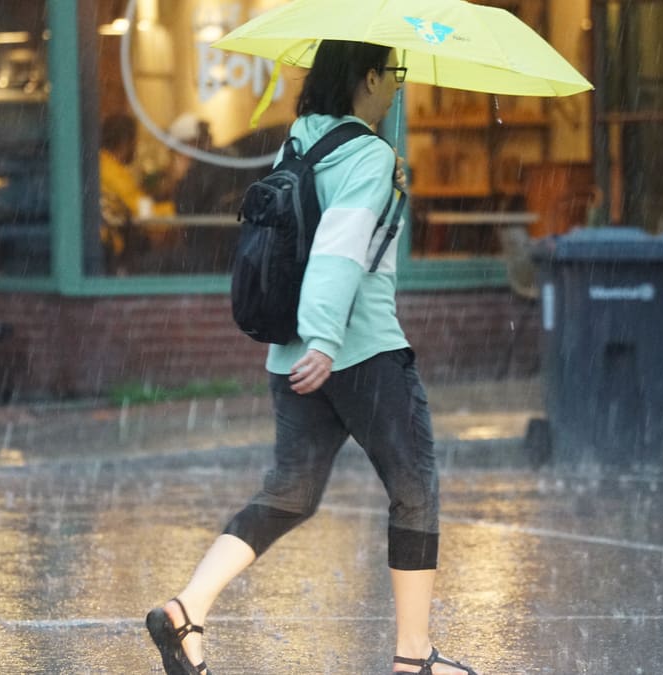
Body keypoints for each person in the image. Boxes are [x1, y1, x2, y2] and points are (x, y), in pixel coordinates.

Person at [144, 40, 477, 675]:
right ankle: (414, 658)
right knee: (415, 491)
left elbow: (312, 232)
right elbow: (338, 250)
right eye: (396, 74)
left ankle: (187, 610)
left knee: (290, 494)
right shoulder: (368, 153)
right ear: (369, 77)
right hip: (360, 352)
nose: (400, 86)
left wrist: (391, 192)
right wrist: (326, 340)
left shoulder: (299, 142)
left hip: (288, 356)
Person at [98, 113, 175, 266]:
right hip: (108, 248)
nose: (136, 146)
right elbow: (143, 213)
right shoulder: (113, 172)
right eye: (135, 140)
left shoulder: (102, 163)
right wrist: (179, 211)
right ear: (125, 142)